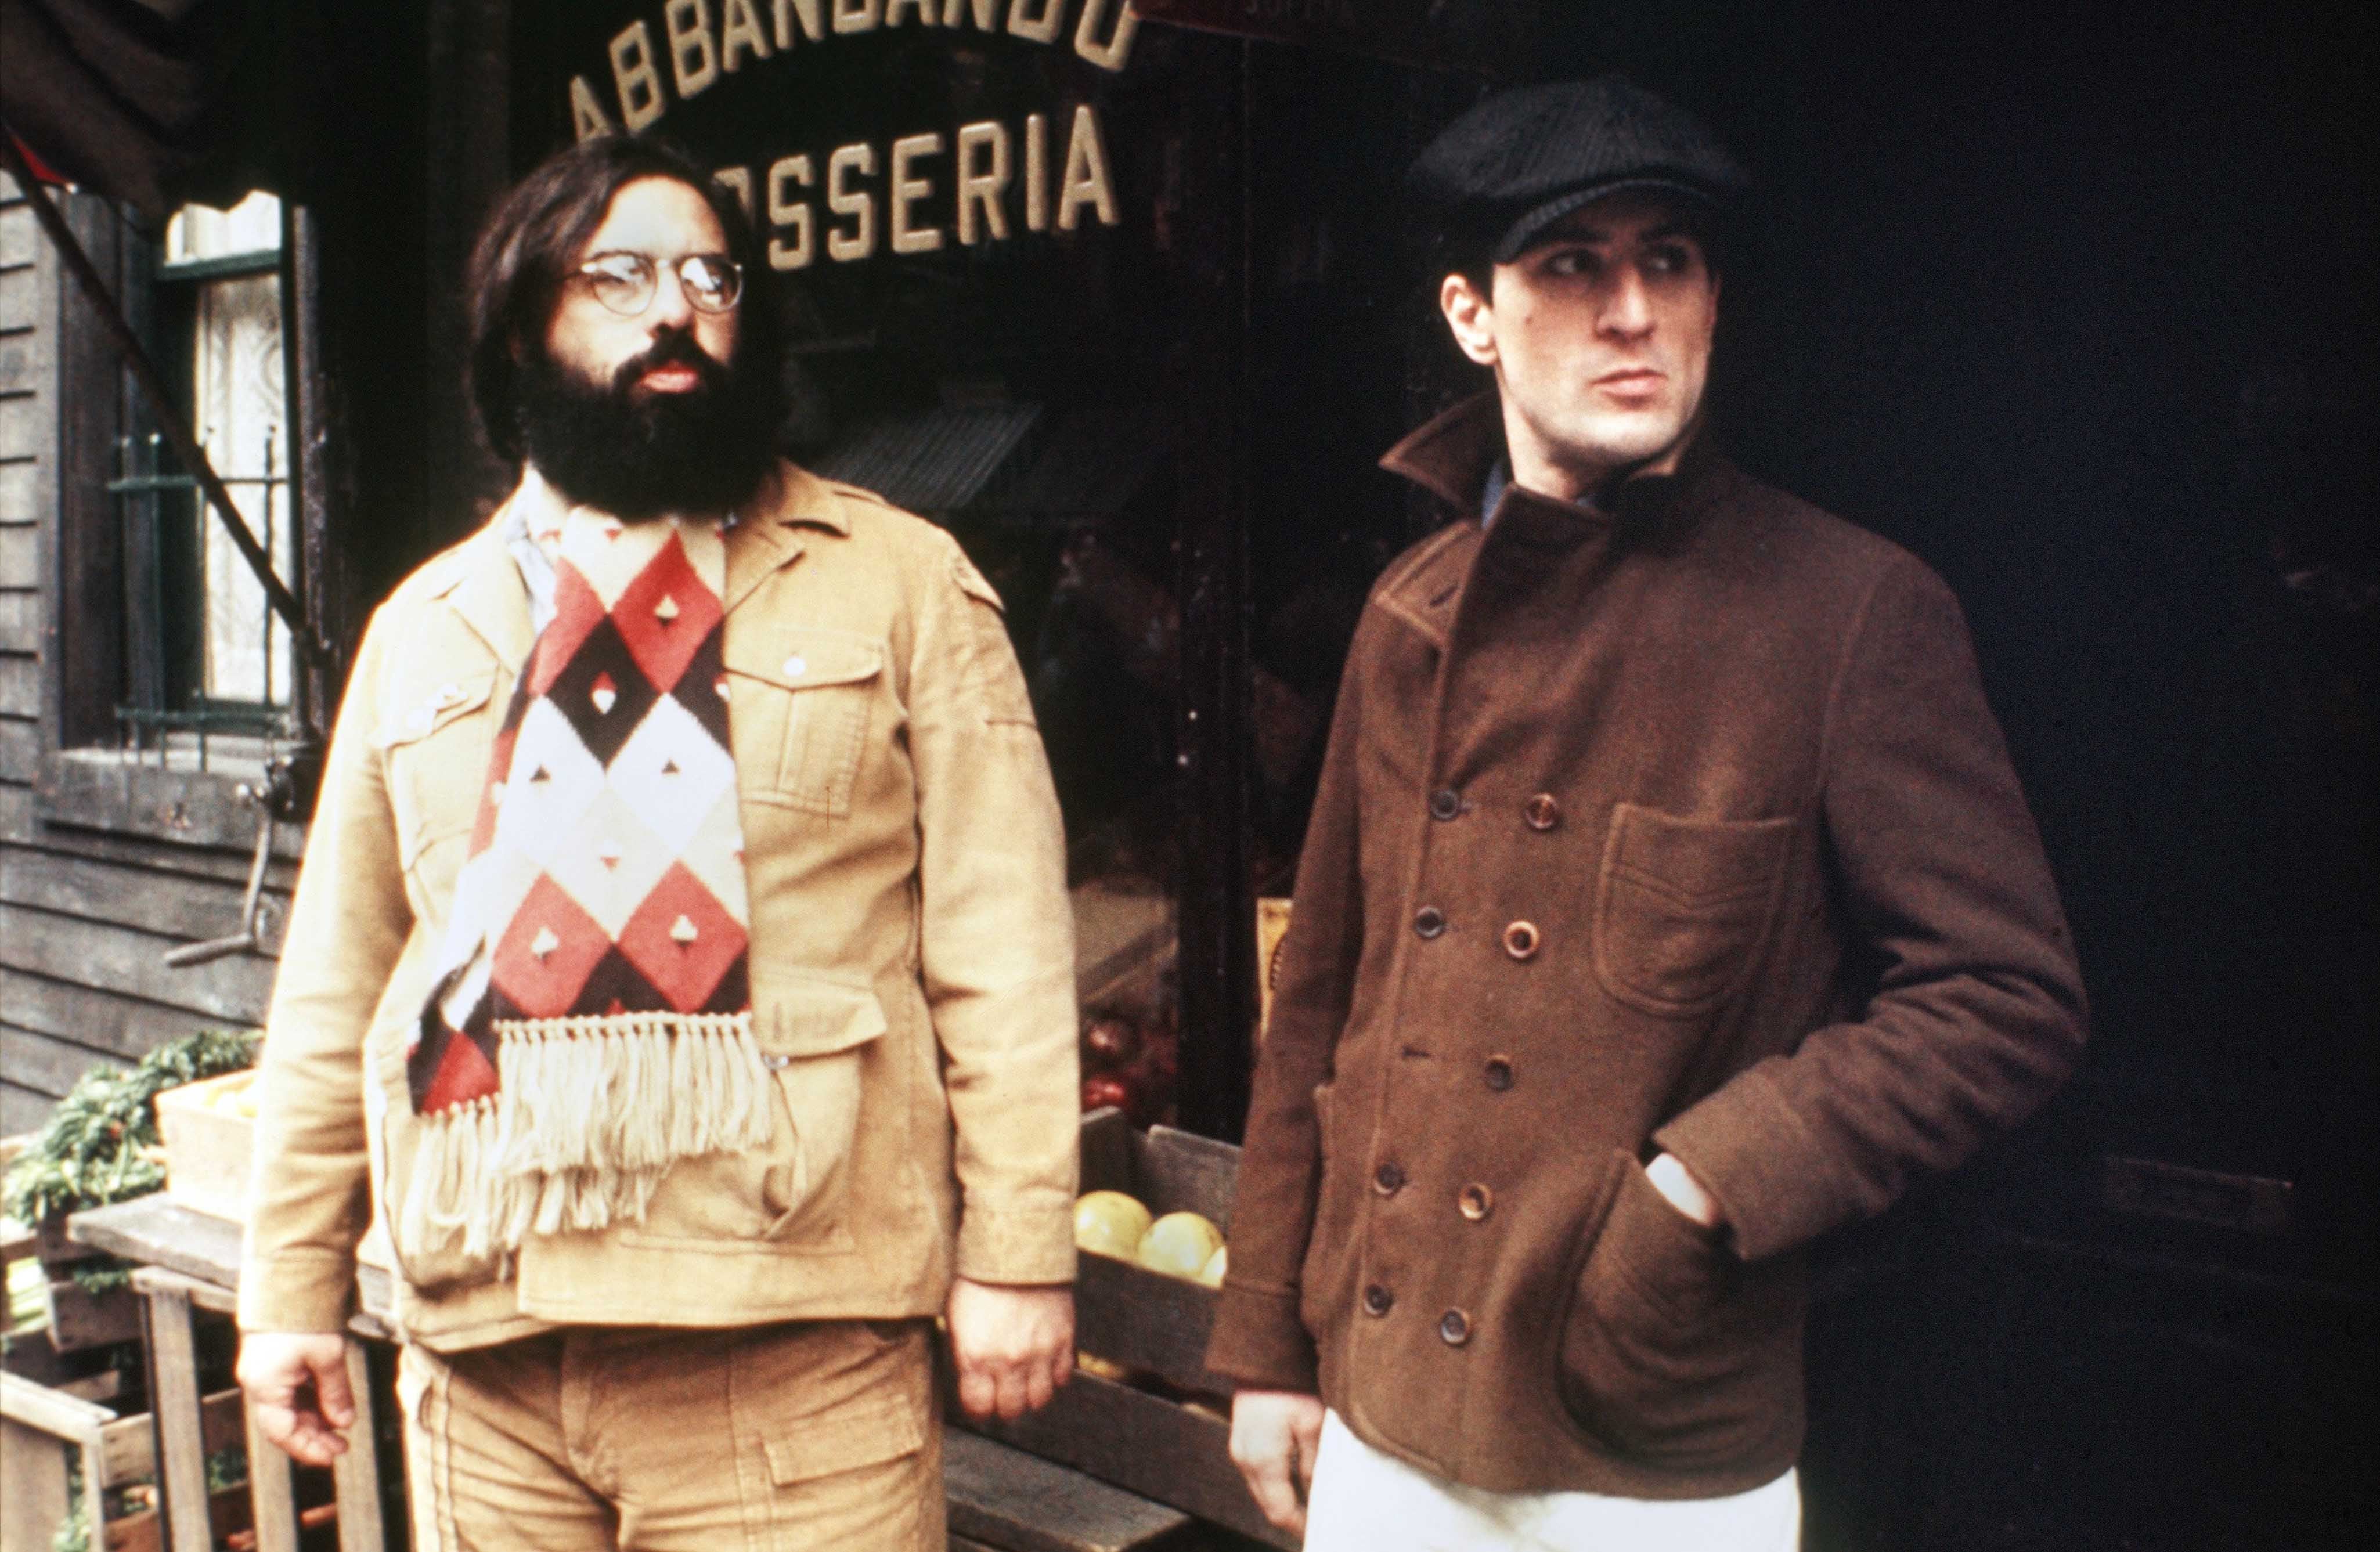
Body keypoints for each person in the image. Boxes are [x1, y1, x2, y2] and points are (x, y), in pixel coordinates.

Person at [1206, 76, 2088, 1550]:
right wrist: (1263, 1345)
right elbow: (1320, 1003)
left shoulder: (1846, 612)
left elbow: (2006, 993)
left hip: (1642, 1437)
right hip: (1376, 1409)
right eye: (1571, 264)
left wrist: (1697, 1191)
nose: (1630, 310)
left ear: (1711, 301)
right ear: (1471, 317)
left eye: (1665, 261)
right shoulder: (1406, 616)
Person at [233, 135, 1080, 1550]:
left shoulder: (899, 584)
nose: (674, 310)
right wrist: (287, 1284)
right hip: (486, 1356)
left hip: (793, 1346)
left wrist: (1018, 1252)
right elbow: (337, 982)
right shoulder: (422, 629)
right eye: (616, 276)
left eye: (709, 275)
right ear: (524, 328)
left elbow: (1003, 944)